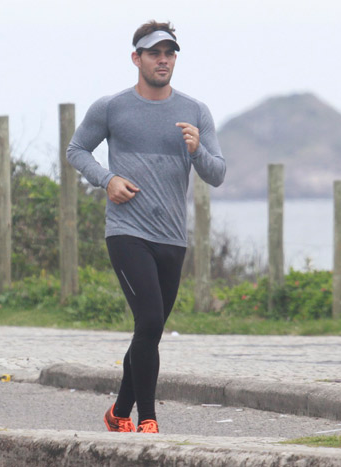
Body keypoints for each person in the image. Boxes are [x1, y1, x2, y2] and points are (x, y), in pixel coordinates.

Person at [67, 20, 226, 434]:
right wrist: (108, 180)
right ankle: (147, 419)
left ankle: (118, 411)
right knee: (152, 320)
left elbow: (218, 173)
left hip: (172, 237)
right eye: (154, 53)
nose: (163, 60)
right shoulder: (111, 107)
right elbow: (77, 149)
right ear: (136, 58)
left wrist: (197, 150)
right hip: (127, 231)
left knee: (147, 330)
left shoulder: (195, 111)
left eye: (169, 53)